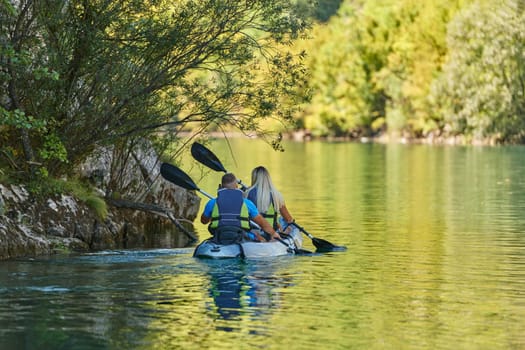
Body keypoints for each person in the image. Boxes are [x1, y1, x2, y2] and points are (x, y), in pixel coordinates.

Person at [201, 173, 281, 243]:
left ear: (221, 186)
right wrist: (274, 233)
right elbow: (262, 222)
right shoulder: (246, 203)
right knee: (259, 237)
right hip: (240, 235)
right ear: (236, 186)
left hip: (219, 235)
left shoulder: (212, 203)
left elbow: (203, 221)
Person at [244, 166, 295, 234]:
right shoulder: (277, 195)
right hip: (271, 232)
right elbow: (289, 219)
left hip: (253, 232)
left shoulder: (247, 193)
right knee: (287, 225)